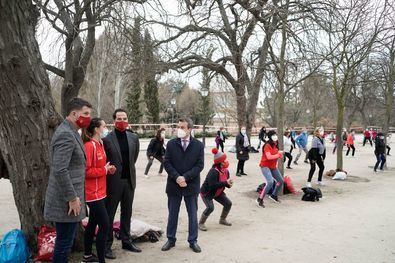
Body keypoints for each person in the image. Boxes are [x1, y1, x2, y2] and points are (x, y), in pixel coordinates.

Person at [44, 98, 92, 263]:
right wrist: (72, 198)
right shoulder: (65, 133)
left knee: (66, 241)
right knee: (64, 243)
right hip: (65, 201)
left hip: (70, 199)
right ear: (74, 113)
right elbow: (60, 169)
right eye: (85, 114)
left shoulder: (72, 131)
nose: (88, 117)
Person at [161, 118, 204, 253]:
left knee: (192, 215)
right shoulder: (171, 144)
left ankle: (193, 241)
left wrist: (185, 177)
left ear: (190, 129)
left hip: (191, 186)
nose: (179, 129)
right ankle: (170, 239)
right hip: (174, 185)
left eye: (183, 127)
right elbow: (167, 162)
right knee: (173, 214)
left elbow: (199, 165)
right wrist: (177, 177)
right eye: (178, 127)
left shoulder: (198, 145)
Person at [103, 109, 141, 259]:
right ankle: (107, 245)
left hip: (129, 181)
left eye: (124, 118)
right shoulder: (107, 140)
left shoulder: (133, 138)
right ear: (114, 121)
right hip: (113, 183)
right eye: (119, 118)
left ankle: (126, 240)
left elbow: (134, 158)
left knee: (127, 212)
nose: (122, 121)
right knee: (109, 214)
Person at [82, 118, 116, 263]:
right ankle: (101, 260)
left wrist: (108, 170)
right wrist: (104, 169)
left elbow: (100, 168)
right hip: (92, 194)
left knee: (92, 224)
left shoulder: (100, 144)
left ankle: (87, 256)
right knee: (105, 225)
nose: (106, 128)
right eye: (104, 126)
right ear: (96, 129)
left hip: (101, 192)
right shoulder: (89, 146)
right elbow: (86, 171)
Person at [198, 148, 233, 231]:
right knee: (210, 207)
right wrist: (225, 183)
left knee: (228, 203)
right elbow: (212, 185)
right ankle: (201, 223)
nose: (226, 161)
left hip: (218, 192)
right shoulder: (213, 171)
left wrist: (229, 184)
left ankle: (222, 219)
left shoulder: (226, 171)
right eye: (224, 160)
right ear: (220, 162)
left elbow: (225, 183)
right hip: (207, 193)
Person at [256, 130, 284, 208]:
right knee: (270, 182)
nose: (275, 136)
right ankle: (260, 199)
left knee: (281, 181)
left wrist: (280, 154)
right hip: (265, 166)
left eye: (276, 134)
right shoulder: (267, 145)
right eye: (273, 135)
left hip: (273, 166)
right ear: (270, 137)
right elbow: (269, 157)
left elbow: (276, 152)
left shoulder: (276, 144)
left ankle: (273, 195)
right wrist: (278, 155)